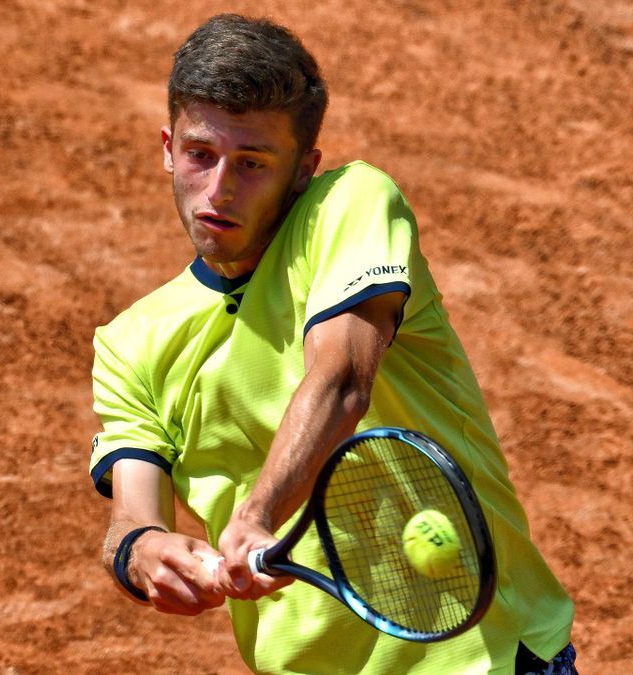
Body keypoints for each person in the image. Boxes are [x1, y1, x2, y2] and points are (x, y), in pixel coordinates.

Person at [87, 14, 577, 675]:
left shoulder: (349, 206)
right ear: (169, 146)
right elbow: (131, 515)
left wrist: (256, 513)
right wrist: (143, 552)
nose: (220, 189)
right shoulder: (130, 343)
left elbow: (342, 379)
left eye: (253, 163)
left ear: (303, 169)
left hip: (476, 659)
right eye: (202, 154)